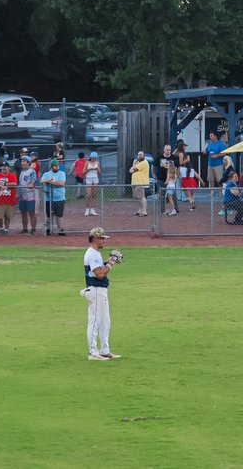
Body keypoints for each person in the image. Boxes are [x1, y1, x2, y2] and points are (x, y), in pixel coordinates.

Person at [82, 228, 121, 361]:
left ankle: (105, 351)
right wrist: (111, 263)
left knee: (105, 321)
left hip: (101, 290)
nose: (104, 241)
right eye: (102, 238)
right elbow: (99, 274)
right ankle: (93, 352)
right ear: (95, 239)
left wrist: (108, 262)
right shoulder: (92, 254)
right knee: (95, 321)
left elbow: (98, 270)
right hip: (96, 289)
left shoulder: (96, 253)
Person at [41, 159, 68, 236]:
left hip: (59, 198)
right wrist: (48, 181)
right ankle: (48, 229)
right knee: (49, 214)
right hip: (49, 198)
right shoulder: (47, 174)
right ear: (51, 166)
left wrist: (50, 182)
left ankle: (60, 229)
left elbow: (62, 183)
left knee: (59, 214)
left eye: (57, 165)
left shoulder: (62, 173)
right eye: (55, 166)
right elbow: (42, 181)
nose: (57, 167)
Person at [0, 161, 18, 236]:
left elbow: (15, 184)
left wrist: (6, 184)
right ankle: (1, 228)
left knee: (8, 216)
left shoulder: (12, 175)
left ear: (8, 168)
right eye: (2, 166)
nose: (3, 167)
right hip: (0, 199)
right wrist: (1, 186)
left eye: (5, 166)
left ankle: (6, 229)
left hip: (9, 199)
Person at [17, 157, 39, 234]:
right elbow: (20, 183)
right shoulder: (22, 172)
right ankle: (25, 228)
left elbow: (33, 180)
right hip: (22, 195)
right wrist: (18, 193)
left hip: (30, 194)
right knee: (23, 212)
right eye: (22, 161)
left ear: (28, 163)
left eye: (24, 161)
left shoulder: (31, 171)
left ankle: (33, 229)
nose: (22, 163)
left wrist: (32, 184)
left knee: (31, 211)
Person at [177, 142, 197, 211]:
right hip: (182, 171)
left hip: (183, 172)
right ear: (182, 147)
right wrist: (187, 160)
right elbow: (180, 163)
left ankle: (192, 202)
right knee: (186, 190)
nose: (185, 147)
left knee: (187, 191)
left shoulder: (181, 153)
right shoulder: (181, 153)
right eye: (185, 146)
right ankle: (192, 202)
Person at [130, 152, 150, 217]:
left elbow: (134, 168)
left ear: (144, 156)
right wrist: (134, 167)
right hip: (135, 182)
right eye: (138, 155)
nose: (139, 156)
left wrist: (134, 163)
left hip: (140, 182)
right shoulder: (138, 162)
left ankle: (144, 211)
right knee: (137, 197)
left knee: (141, 196)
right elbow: (130, 170)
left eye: (141, 155)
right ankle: (140, 210)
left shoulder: (144, 162)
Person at [83, 152, 100, 216]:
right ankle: (87, 209)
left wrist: (97, 169)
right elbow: (83, 172)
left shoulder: (97, 163)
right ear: (91, 157)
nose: (95, 159)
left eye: (95, 158)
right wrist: (88, 169)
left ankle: (92, 209)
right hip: (89, 178)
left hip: (95, 178)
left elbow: (99, 172)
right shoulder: (87, 163)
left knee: (94, 195)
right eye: (93, 158)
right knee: (88, 195)